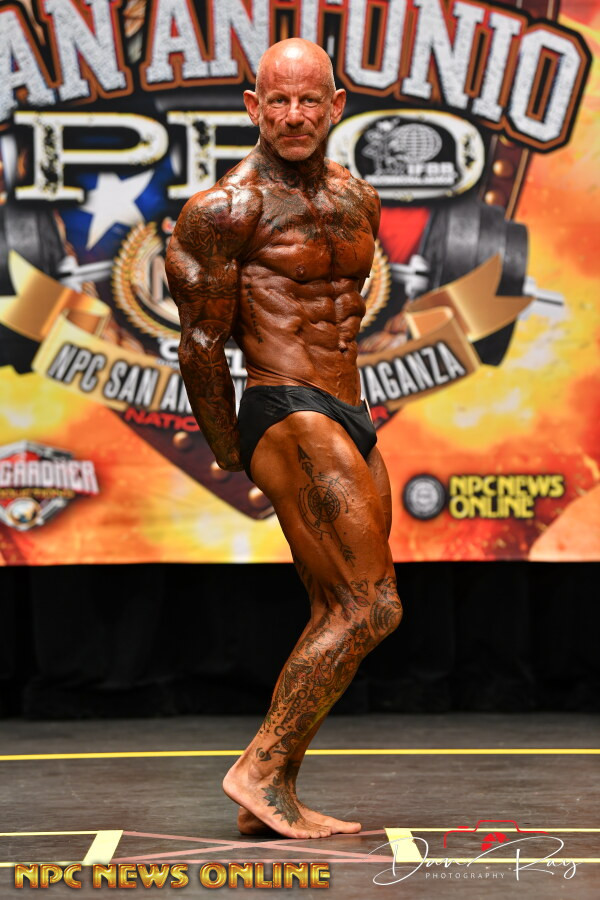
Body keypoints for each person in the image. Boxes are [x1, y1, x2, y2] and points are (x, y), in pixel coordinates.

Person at [165, 38, 403, 841]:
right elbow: (201, 344)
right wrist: (231, 447)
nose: (294, 115)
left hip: (348, 410)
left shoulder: (359, 198)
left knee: (340, 607)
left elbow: (346, 311)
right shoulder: (224, 211)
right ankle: (259, 769)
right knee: (373, 606)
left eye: (309, 100)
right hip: (283, 403)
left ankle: (272, 791)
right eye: (278, 100)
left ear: (335, 106)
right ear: (253, 106)